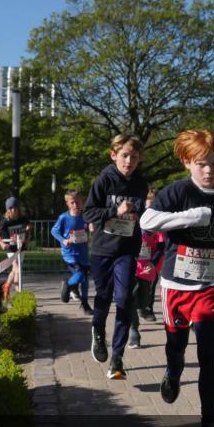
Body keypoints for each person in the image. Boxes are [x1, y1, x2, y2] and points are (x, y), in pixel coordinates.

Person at [139, 129, 214, 427]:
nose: (209, 171)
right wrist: (190, 217)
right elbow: (146, 222)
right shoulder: (176, 192)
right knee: (176, 347)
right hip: (174, 285)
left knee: (209, 352)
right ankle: (172, 371)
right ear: (187, 162)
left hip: (207, 285)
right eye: (201, 164)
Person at [83, 134, 149, 381]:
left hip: (127, 250)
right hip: (102, 249)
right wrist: (114, 210)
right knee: (103, 296)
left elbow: (143, 214)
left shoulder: (141, 184)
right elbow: (89, 212)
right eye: (124, 155)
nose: (129, 160)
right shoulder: (104, 180)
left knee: (124, 300)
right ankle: (98, 332)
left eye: (134, 156)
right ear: (114, 155)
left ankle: (117, 357)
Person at [129, 189, 166, 349]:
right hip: (130, 265)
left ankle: (144, 309)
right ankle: (133, 331)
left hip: (148, 267)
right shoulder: (133, 219)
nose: (149, 210)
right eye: (147, 206)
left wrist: (153, 262)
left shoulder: (159, 223)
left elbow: (161, 245)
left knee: (142, 301)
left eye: (154, 206)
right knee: (129, 297)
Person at [51, 189, 93, 315]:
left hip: (83, 253)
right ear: (67, 204)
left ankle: (84, 303)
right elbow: (54, 231)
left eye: (78, 202)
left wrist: (91, 227)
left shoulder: (85, 216)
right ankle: (68, 284)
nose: (76, 205)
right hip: (70, 254)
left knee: (85, 280)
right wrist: (64, 240)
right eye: (72, 203)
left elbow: (90, 227)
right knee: (80, 275)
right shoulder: (64, 217)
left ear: (82, 203)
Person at [0, 197, 30, 302]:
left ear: (18, 208)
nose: (13, 210)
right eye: (11, 208)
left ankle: (6, 286)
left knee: (15, 271)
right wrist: (1, 243)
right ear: (7, 209)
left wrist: (27, 237)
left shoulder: (23, 218)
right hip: (11, 249)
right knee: (17, 269)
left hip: (21, 248)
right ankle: (19, 294)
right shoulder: (6, 221)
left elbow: (29, 227)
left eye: (15, 207)